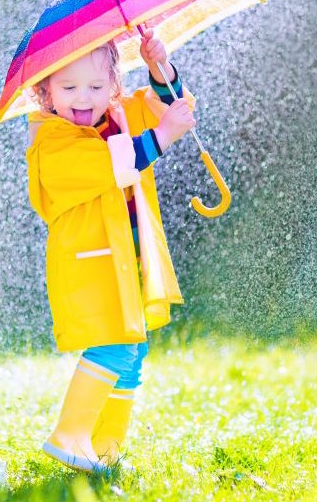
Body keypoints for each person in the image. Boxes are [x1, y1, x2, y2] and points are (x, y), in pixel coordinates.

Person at [25, 27, 196, 472]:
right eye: (68, 87)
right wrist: (162, 137)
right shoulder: (51, 140)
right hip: (91, 267)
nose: (83, 98)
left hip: (131, 260)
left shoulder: (119, 114)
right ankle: (69, 435)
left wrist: (161, 67)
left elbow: (171, 108)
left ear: (115, 86)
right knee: (114, 348)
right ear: (45, 92)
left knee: (133, 352)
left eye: (97, 86)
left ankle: (106, 450)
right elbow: (115, 165)